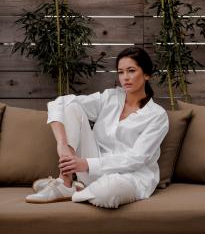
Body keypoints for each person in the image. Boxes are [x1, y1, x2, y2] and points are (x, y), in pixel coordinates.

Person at [26, 47, 169, 208]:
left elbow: (136, 158)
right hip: (92, 170)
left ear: (146, 74)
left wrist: (86, 164)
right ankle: (66, 182)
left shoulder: (157, 115)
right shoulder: (110, 98)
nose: (125, 78)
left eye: (131, 71)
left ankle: (72, 189)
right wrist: (62, 144)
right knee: (72, 106)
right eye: (121, 72)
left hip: (129, 177)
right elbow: (61, 102)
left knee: (106, 194)